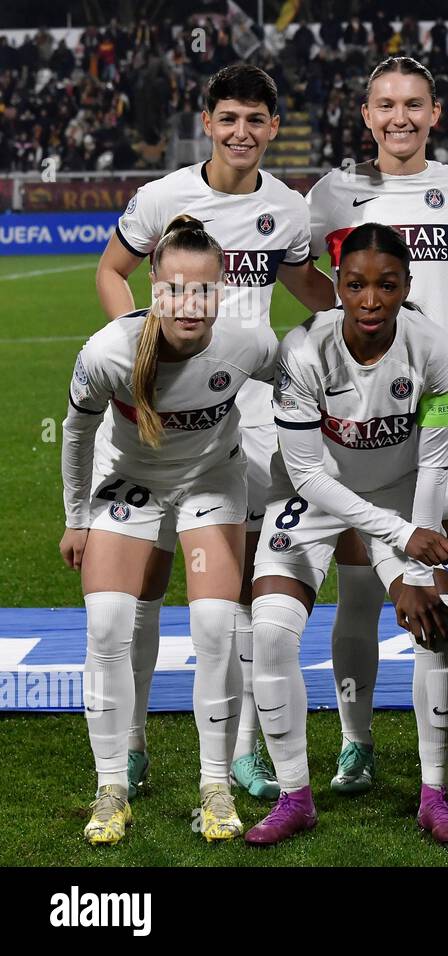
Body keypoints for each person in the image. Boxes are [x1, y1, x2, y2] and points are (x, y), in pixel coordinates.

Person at [94, 63, 337, 804]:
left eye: (256, 120)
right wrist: (139, 356)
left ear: (273, 127)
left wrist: (377, 309)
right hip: (156, 410)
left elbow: (309, 291)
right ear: (207, 121)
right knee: (145, 579)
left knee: (230, 592)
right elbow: (112, 270)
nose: (242, 133)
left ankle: (240, 753)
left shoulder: (288, 210)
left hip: (250, 413)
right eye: (229, 118)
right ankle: (130, 744)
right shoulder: (163, 197)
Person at [305, 55, 448, 797]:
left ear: (435, 112)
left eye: (414, 104)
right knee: (358, 589)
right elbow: (309, 276)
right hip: (360, 419)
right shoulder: (332, 195)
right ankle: (357, 744)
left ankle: (440, 746)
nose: (400, 117)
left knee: (439, 582)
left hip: (445, 409)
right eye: (385, 104)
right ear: (366, 115)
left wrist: (445, 314)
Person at [243, 224, 448, 845]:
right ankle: (294, 797)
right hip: (312, 497)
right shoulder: (303, 352)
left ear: (406, 287)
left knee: (436, 626)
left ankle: (434, 795)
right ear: (335, 285)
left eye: (386, 285)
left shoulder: (436, 351)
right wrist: (400, 533)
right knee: (270, 631)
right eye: (356, 285)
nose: (370, 300)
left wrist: (415, 567)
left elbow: (435, 462)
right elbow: (308, 473)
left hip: (401, 490)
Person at [63, 216, 277, 845]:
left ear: (223, 289)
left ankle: (214, 786)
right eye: (175, 288)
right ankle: (112, 789)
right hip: (131, 484)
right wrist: (77, 516)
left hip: (212, 483)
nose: (190, 303)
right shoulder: (109, 350)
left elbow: (298, 390)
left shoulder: (247, 343)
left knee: (214, 626)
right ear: (153, 285)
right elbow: (76, 434)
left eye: (203, 289)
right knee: (106, 623)